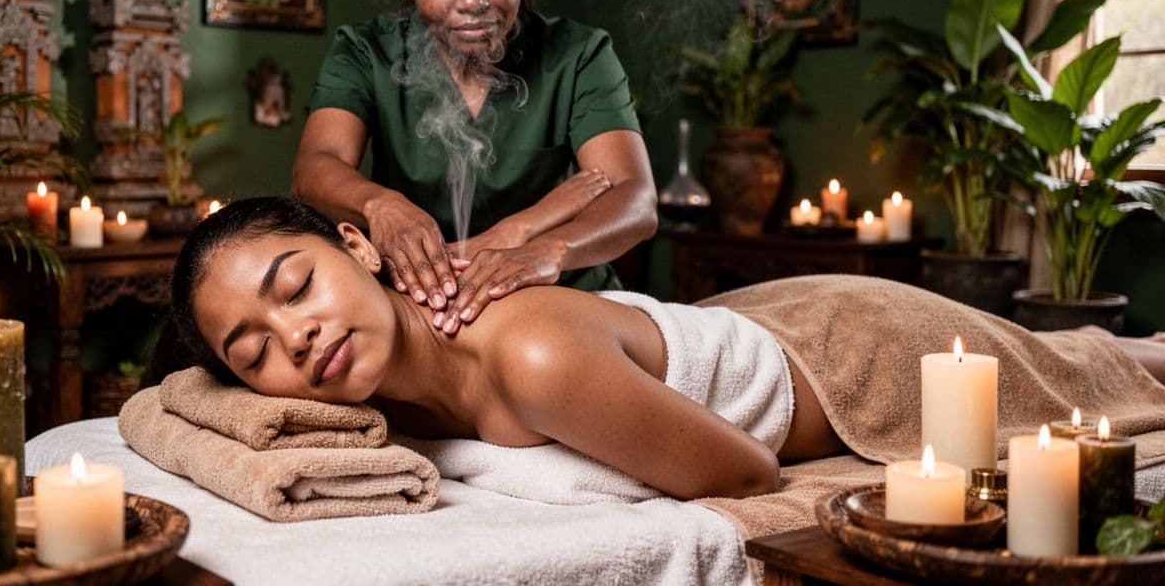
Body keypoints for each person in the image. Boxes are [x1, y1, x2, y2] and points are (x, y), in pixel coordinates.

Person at [165, 197, 1165, 503]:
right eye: (251, 352)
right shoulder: (375, 395)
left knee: (1099, 371)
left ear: (357, 246)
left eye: (294, 286)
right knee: (1079, 352)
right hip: (743, 317)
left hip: (853, 353)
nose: (294, 337)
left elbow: (746, 472)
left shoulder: (533, 361)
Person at [292, 0, 657, 336]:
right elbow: (314, 168)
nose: (472, 0)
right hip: (428, 310)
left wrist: (546, 249)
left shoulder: (579, 54)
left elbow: (635, 201)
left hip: (567, 301)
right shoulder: (365, 52)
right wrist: (381, 205)